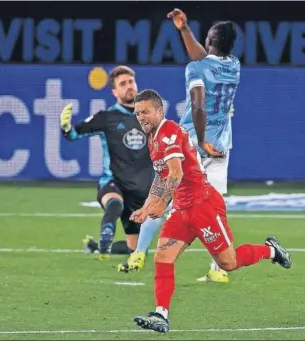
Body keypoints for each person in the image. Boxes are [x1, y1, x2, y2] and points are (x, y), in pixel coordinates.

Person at [130, 89, 292, 333]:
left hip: (203, 206)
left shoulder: (169, 132)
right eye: (137, 113)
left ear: (159, 111)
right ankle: (160, 315)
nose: (140, 117)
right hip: (182, 210)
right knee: (162, 257)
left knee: (228, 263)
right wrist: (146, 207)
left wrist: (161, 204)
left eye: (145, 112)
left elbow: (176, 173)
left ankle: (272, 250)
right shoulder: (153, 138)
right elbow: (161, 177)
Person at [59, 65, 163, 262]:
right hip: (113, 182)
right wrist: (65, 128)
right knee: (114, 205)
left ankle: (97, 248)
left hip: (140, 192)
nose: (129, 86)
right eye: (123, 84)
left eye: (131, 82)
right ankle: (105, 237)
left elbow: (177, 139)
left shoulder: (151, 117)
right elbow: (74, 134)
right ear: (115, 92)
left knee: (135, 249)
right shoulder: (106, 118)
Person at [167, 8, 239, 283]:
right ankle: (219, 267)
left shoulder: (195, 69)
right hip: (221, 144)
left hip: (194, 144)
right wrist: (184, 30)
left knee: (178, 200)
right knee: (216, 203)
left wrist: (200, 140)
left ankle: (163, 256)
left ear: (210, 40)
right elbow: (203, 57)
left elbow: (198, 105)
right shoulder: (234, 65)